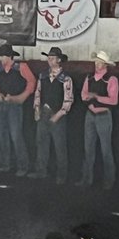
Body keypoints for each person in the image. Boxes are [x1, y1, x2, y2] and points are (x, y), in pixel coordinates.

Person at [0, 44, 35, 176]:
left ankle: (23, 165)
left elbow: (31, 82)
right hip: (2, 103)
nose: (1, 59)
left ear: (9, 56)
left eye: (3, 56)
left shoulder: (21, 67)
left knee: (16, 136)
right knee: (2, 135)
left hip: (14, 104)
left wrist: (21, 97)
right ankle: (5, 164)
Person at [31, 47, 73, 184]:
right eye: (49, 58)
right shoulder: (42, 75)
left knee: (60, 146)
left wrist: (58, 115)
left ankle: (61, 175)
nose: (49, 60)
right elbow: (37, 93)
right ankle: (41, 171)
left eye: (52, 58)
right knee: (41, 143)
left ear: (59, 60)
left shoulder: (66, 78)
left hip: (57, 114)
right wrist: (37, 109)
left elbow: (68, 100)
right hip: (44, 111)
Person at [79, 50, 119, 190]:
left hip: (103, 116)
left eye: (100, 62)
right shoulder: (89, 77)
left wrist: (96, 97)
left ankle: (109, 180)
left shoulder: (111, 79)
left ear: (105, 64)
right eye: (96, 62)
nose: (97, 64)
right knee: (88, 148)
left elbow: (113, 100)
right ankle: (86, 178)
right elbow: (83, 94)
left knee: (105, 149)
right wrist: (90, 98)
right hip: (90, 114)